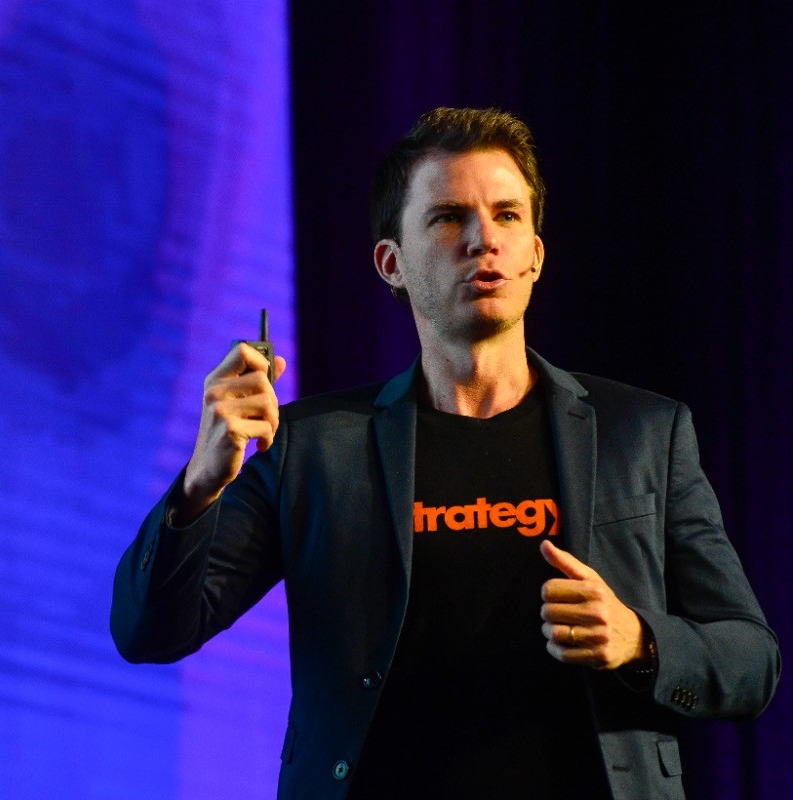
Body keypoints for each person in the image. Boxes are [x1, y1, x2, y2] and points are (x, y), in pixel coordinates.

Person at [111, 107, 780, 800]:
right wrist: (199, 487)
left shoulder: (641, 432)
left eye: (507, 215)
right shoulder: (313, 449)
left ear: (535, 255)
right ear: (392, 263)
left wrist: (638, 640)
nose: (484, 239)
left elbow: (751, 659)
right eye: (449, 217)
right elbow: (148, 631)